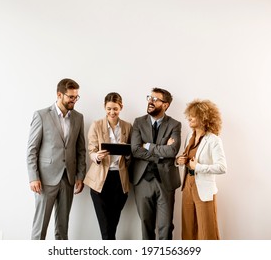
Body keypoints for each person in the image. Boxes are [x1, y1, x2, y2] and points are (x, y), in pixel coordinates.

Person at [26, 78, 86, 240]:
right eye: (71, 97)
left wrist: (80, 175)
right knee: (40, 228)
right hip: (45, 180)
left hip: (68, 179)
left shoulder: (78, 118)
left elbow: (81, 149)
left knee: (62, 228)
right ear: (59, 95)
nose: (74, 100)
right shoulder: (41, 115)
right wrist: (33, 177)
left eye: (76, 97)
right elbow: (32, 150)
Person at [130, 87, 182, 240]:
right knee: (146, 224)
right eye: (149, 98)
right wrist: (161, 152)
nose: (150, 101)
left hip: (166, 181)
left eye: (155, 99)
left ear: (165, 105)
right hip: (142, 180)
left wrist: (148, 146)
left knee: (165, 226)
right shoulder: (138, 122)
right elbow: (135, 150)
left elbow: (172, 151)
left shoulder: (175, 124)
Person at [176, 99, 227, 240]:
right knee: (188, 227)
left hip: (203, 188)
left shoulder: (213, 140)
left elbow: (222, 167)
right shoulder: (189, 137)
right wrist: (180, 160)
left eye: (193, 115)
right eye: (189, 115)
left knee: (206, 228)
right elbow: (187, 157)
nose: (189, 118)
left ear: (204, 118)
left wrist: (197, 167)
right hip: (187, 185)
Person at [83, 92, 132, 240]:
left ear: (121, 107)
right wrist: (96, 156)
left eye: (115, 109)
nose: (112, 112)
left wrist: (126, 151)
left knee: (113, 223)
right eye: (109, 108)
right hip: (99, 181)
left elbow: (132, 154)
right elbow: (91, 150)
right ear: (104, 107)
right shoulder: (96, 125)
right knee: (106, 228)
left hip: (120, 180)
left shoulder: (128, 127)